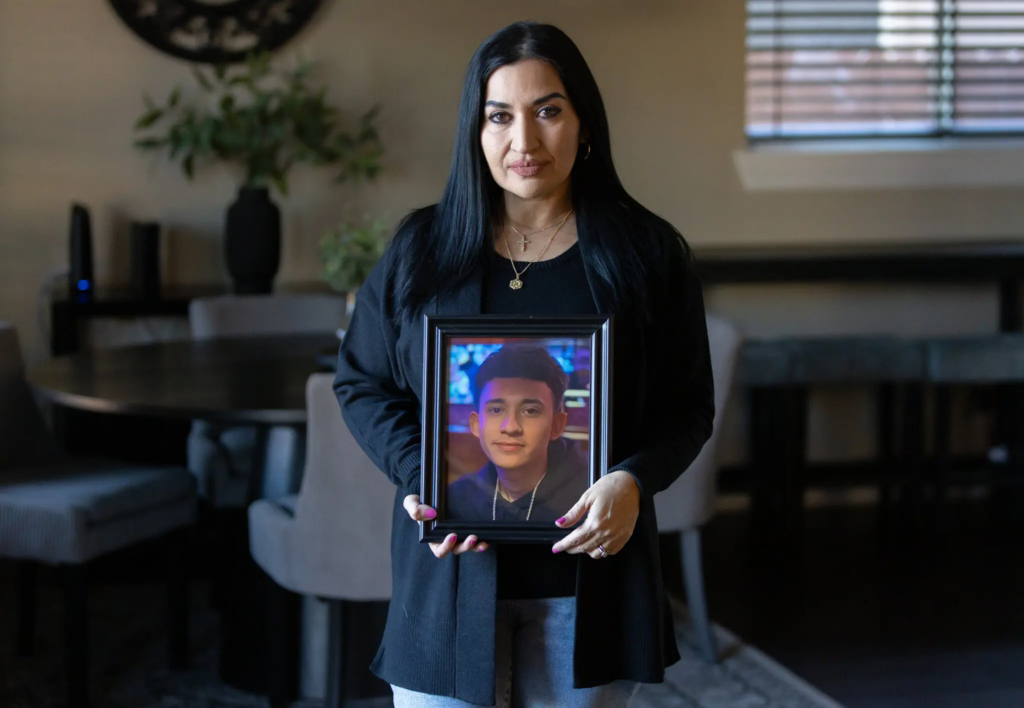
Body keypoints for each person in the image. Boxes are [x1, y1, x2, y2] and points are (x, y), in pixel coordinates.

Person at [334, 20, 714, 708]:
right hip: (449, 585)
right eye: (499, 116)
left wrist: (633, 481)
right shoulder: (422, 250)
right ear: (474, 133)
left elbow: (688, 408)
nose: (524, 142)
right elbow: (362, 383)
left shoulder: (648, 254)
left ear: (584, 123)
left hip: (589, 586)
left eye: (549, 111)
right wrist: (422, 469)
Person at [447, 344, 589, 523]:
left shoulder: (592, 495)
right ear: (476, 424)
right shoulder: (456, 498)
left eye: (530, 411)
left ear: (557, 425)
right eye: (496, 410)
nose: (511, 427)